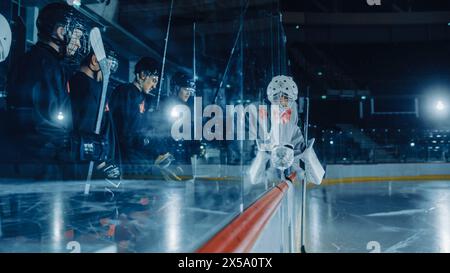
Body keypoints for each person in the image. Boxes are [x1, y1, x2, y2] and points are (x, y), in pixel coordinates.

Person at [5, 2, 91, 180]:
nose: (77, 43)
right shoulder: (46, 65)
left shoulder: (40, 62)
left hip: (33, 164)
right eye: (76, 36)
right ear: (60, 32)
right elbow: (42, 123)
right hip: (38, 168)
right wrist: (76, 144)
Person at [68, 49, 120, 180]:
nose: (108, 72)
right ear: (95, 60)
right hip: (92, 165)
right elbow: (86, 129)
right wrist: (101, 161)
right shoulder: (88, 87)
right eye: (106, 66)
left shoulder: (81, 83)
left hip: (91, 161)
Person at [248, 75, 305, 188]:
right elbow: (254, 179)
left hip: (286, 148)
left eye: (284, 97)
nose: (281, 100)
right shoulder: (272, 116)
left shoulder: (291, 113)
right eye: (277, 97)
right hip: (275, 147)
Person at [108, 56, 160, 176]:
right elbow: (125, 131)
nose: (154, 86)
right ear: (142, 75)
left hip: (139, 161)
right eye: (154, 80)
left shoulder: (143, 97)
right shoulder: (125, 92)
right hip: (126, 161)